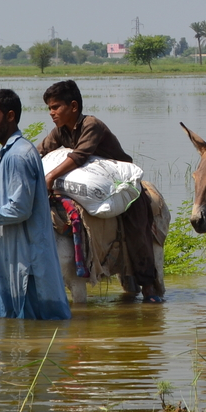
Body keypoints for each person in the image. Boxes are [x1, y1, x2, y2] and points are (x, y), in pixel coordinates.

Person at [38, 79, 162, 302]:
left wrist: (50, 176)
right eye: (49, 108)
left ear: (73, 106)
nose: (51, 113)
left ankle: (148, 286)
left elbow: (79, 156)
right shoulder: (60, 132)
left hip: (122, 186)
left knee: (137, 230)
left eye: (55, 107)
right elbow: (41, 151)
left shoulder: (91, 125)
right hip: (95, 188)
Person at [0, 89, 71, 320]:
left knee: (33, 324)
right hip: (8, 258)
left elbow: (20, 209)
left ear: (10, 116)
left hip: (25, 261)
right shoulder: (10, 152)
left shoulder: (18, 156)